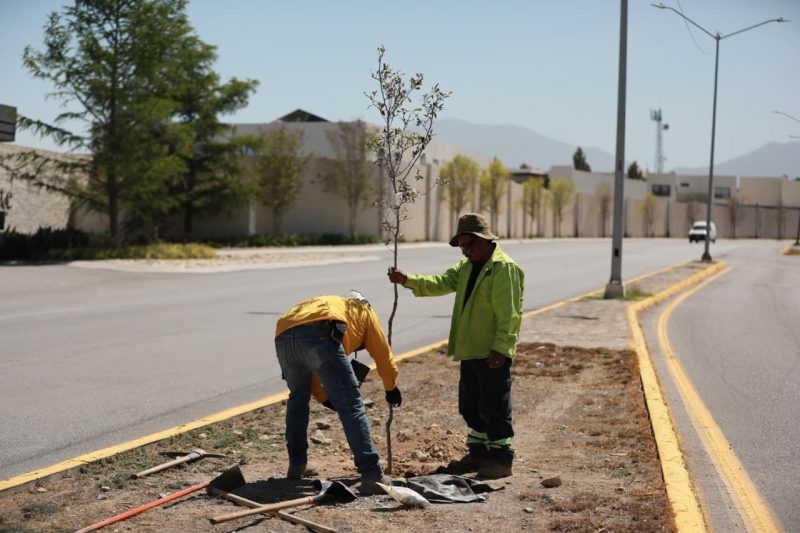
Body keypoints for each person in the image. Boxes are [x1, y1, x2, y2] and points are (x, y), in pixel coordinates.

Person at [387, 213, 524, 478]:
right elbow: (441, 283)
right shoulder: (467, 267)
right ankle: (479, 453)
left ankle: (500, 458)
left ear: (482, 240)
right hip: (470, 348)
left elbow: (510, 315)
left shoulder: (503, 269)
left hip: (492, 351)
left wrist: (502, 347)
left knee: (494, 405)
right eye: (461, 247)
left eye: (467, 246)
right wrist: (407, 280)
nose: (464, 252)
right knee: (471, 405)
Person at [274, 291, 402, 494]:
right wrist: (391, 387)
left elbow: (311, 372)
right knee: (351, 405)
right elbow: (382, 354)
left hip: (284, 332)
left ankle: (297, 465)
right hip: (321, 331)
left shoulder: (331, 304)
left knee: (298, 399)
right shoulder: (364, 310)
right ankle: (372, 475)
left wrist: (325, 398)